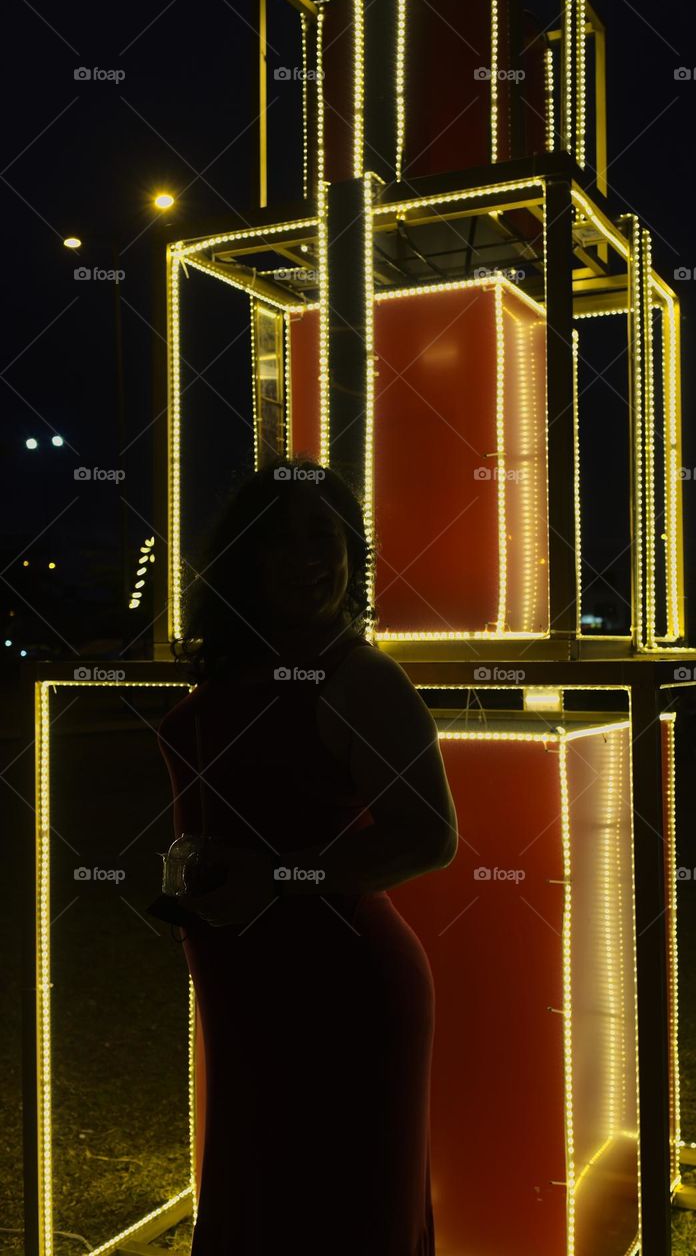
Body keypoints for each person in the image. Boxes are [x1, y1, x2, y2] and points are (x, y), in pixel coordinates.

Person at [153, 457, 458, 1254]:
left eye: (325, 537)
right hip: (246, 988)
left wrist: (277, 878)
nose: (307, 557)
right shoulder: (234, 665)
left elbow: (429, 835)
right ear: (243, 559)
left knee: (337, 1212)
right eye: (279, 539)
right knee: (259, 1201)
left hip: (341, 988)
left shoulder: (361, 677)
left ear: (353, 555)